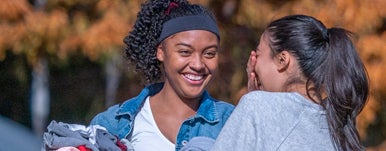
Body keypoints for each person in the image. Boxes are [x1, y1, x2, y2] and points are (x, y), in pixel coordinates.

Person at [90, 0, 234, 151]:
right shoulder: (111, 124)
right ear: (161, 52)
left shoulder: (232, 122)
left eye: (209, 53)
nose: (198, 65)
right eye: (185, 52)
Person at [211, 15, 369, 151]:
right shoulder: (337, 127)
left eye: (258, 53)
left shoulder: (257, 107)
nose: (252, 64)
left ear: (282, 60)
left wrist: (256, 103)